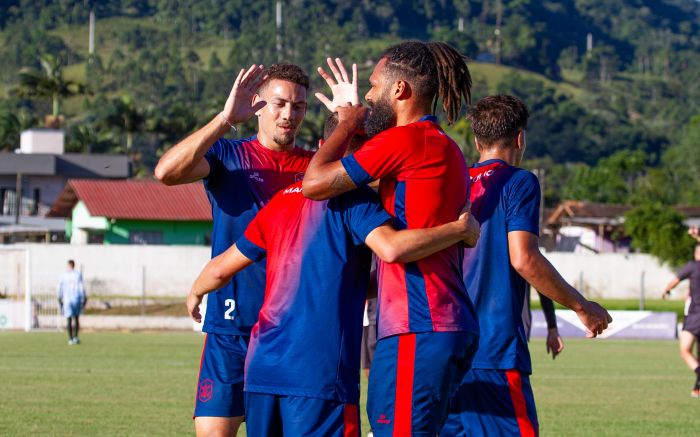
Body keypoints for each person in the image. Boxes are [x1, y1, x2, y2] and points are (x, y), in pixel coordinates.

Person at [186, 113, 481, 436]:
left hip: (262, 370)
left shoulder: (280, 202)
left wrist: (196, 293)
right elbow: (392, 248)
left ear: (322, 147)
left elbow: (219, 269)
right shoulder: (357, 201)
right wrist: (458, 230)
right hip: (319, 373)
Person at [303, 42, 478, 435]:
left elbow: (314, 184)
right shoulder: (447, 147)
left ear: (399, 90)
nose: (367, 95)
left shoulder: (404, 141)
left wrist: (346, 122)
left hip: (418, 323)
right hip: (449, 321)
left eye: (373, 85)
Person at [154, 63, 314, 436]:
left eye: (299, 106)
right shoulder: (229, 156)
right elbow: (166, 173)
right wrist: (225, 119)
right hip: (229, 331)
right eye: (279, 103)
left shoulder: (315, 169)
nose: (289, 114)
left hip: (288, 333)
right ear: (257, 104)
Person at [441, 95, 612, 437]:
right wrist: (582, 306)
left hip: (444, 349)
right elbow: (524, 258)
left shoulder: (452, 183)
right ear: (520, 138)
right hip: (493, 350)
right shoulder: (519, 182)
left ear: (477, 141)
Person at [662, 241, 700, 397]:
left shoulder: (693, 265)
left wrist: (666, 290)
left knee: (685, 351)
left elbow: (675, 280)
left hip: (695, 315)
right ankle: (697, 389)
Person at [522, 289, 564, 359]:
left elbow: (543, 289)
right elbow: (543, 288)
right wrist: (552, 328)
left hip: (515, 332)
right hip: (515, 332)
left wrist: (552, 328)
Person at [57, 259, 86, 345]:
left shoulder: (63, 275)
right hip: (76, 298)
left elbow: (59, 287)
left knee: (69, 319)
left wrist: (59, 297)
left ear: (68, 265)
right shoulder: (78, 274)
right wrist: (83, 297)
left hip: (67, 299)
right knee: (76, 318)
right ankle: (75, 338)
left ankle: (70, 339)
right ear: (74, 265)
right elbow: (81, 287)